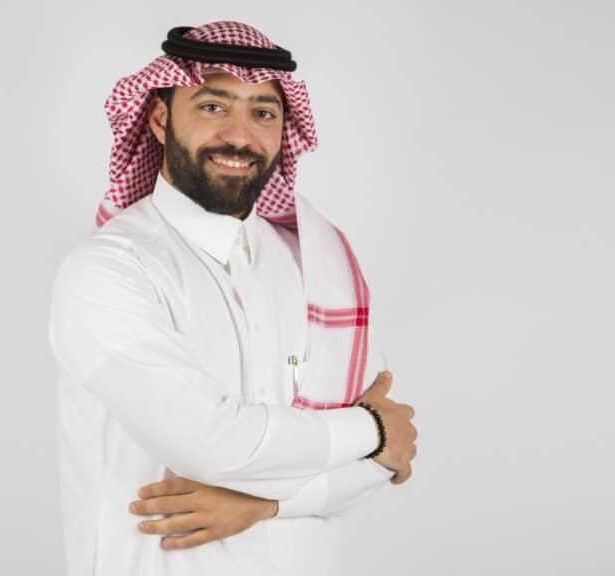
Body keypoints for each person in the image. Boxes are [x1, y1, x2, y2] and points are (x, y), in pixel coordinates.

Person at [48, 20, 417, 576]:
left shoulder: (317, 265)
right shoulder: (107, 271)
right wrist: (373, 429)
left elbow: (381, 467)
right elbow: (213, 444)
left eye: (263, 113)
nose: (240, 136)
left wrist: (264, 505)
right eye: (213, 107)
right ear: (159, 119)